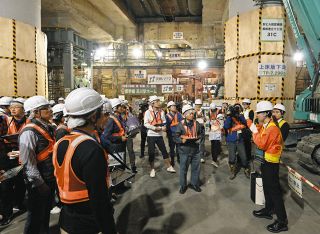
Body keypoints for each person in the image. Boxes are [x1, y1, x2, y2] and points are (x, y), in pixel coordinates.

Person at [52, 87, 116, 234]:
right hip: (88, 224)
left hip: (66, 220)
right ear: (93, 117)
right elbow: (99, 199)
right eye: (102, 113)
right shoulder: (91, 149)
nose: (105, 117)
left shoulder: (61, 142)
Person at [19, 96, 56, 234]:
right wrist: (40, 184)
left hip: (48, 179)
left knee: (44, 214)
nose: (50, 110)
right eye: (46, 108)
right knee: (35, 217)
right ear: (35, 112)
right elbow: (28, 163)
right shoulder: (29, 132)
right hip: (39, 182)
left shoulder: (49, 127)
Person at [251, 101, 288, 233]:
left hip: (271, 163)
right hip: (266, 161)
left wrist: (254, 131)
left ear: (266, 113)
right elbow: (262, 133)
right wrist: (257, 128)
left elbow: (261, 143)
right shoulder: (267, 125)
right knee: (267, 187)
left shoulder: (272, 128)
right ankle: (269, 209)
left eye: (259, 113)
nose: (257, 115)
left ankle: (282, 221)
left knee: (275, 192)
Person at [0, 98, 28, 226]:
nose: (13, 109)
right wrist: (6, 153)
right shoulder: (6, 121)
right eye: (11, 108)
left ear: (23, 109)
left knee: (21, 182)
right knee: (6, 184)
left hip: (24, 153)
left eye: (16, 107)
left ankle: (20, 202)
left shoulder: (29, 122)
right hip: (9, 156)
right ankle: (7, 213)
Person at [174, 104, 203, 194]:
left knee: (196, 168)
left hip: (195, 149)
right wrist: (181, 140)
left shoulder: (196, 123)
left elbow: (201, 134)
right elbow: (175, 137)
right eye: (190, 113)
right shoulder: (180, 125)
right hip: (184, 150)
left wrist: (198, 138)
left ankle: (194, 183)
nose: (192, 115)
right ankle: (183, 185)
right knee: (183, 169)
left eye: (192, 113)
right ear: (185, 114)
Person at [144, 96, 175, 178]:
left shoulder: (161, 112)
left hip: (159, 134)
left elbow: (164, 121)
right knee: (151, 153)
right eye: (157, 101)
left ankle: (169, 166)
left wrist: (164, 127)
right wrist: (155, 128)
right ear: (152, 103)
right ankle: (152, 169)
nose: (159, 103)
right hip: (151, 135)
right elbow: (146, 124)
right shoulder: (147, 112)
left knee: (164, 151)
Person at [224, 104, 250, 180]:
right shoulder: (229, 117)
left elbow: (245, 123)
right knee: (232, 157)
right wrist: (230, 116)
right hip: (231, 140)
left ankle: (246, 169)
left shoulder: (240, 116)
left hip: (240, 140)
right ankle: (232, 172)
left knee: (244, 157)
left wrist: (239, 115)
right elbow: (226, 126)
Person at [101, 98, 128, 168]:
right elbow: (106, 136)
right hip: (115, 147)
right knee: (116, 167)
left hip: (120, 145)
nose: (122, 108)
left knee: (121, 164)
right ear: (115, 108)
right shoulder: (111, 119)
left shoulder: (119, 117)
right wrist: (120, 138)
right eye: (120, 106)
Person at [166, 101, 183, 166]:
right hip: (171, 135)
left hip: (178, 134)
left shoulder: (178, 114)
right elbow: (167, 126)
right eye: (173, 106)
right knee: (172, 148)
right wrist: (167, 134)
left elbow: (182, 122)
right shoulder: (167, 116)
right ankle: (172, 160)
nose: (174, 107)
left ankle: (179, 159)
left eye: (175, 106)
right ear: (169, 108)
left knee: (179, 148)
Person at [194, 99, 206, 163]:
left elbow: (205, 119)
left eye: (199, 105)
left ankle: (201, 156)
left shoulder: (203, 111)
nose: (198, 106)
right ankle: (194, 155)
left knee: (202, 142)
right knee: (195, 141)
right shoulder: (193, 111)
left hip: (201, 127)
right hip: (195, 127)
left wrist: (203, 118)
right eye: (197, 105)